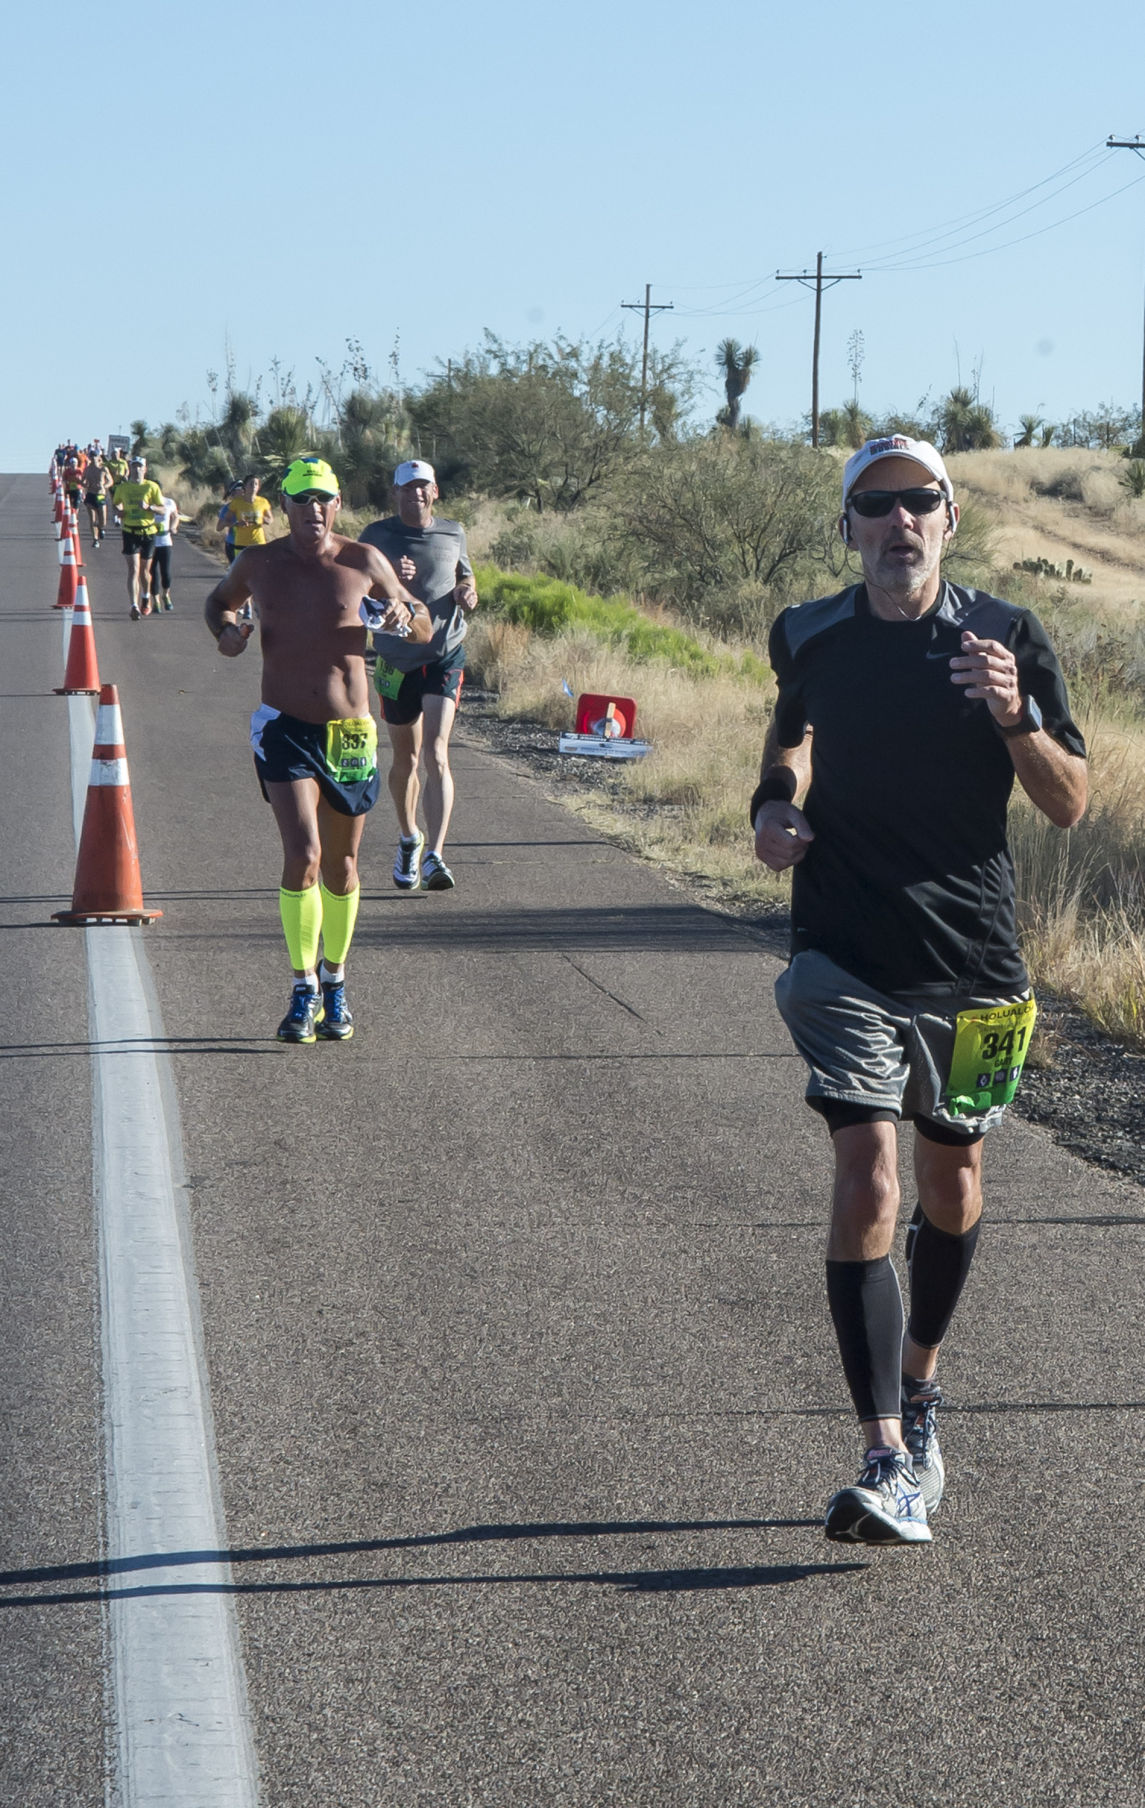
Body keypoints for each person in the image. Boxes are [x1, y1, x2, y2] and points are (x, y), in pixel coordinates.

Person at [751, 435, 1087, 1546]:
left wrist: (1011, 714)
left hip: (975, 962)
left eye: (918, 502)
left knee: (955, 1179)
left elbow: (1069, 802)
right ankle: (884, 1450)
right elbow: (793, 727)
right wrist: (772, 802)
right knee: (869, 1174)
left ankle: (922, 1384)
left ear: (949, 519)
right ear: (846, 527)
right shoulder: (809, 631)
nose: (898, 522)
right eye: (875, 504)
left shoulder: (1006, 635)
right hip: (841, 948)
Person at [204, 456, 432, 1043]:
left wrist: (406, 617)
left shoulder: (363, 562)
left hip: (350, 732)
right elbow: (218, 603)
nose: (313, 509)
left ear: (337, 503)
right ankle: (302, 988)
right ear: (284, 505)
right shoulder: (259, 563)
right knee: (303, 853)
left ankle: (335, 982)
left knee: (343, 866)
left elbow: (423, 621)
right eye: (302, 499)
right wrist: (227, 633)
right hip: (284, 726)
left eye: (323, 499)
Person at [359, 459, 478, 891]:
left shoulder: (454, 531)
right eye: (407, 489)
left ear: (436, 491)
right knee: (405, 759)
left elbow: (465, 571)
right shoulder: (376, 536)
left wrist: (469, 589)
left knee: (437, 752)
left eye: (423, 488)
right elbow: (356, 588)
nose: (416, 495)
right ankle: (409, 836)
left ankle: (435, 857)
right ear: (395, 494)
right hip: (395, 659)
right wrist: (388, 575)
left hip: (444, 653)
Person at [112, 453, 163, 618]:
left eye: (140, 467)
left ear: (145, 469)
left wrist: (149, 507)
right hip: (130, 531)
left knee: (145, 572)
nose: (137, 470)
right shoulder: (123, 487)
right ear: (130, 469)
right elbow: (115, 504)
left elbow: (162, 509)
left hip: (148, 532)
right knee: (133, 569)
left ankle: (146, 597)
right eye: (134, 466)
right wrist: (118, 511)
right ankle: (133, 605)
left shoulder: (152, 487)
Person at [218, 473, 273, 556]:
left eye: (256, 484)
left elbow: (270, 519)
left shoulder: (263, 502)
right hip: (238, 543)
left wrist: (263, 520)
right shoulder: (233, 505)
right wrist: (236, 524)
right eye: (251, 484)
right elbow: (222, 524)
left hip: (258, 542)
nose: (253, 486)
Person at [148, 489, 180, 610]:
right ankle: (155, 600)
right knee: (152, 573)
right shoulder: (146, 503)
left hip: (165, 542)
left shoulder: (169, 502)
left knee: (165, 572)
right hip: (150, 542)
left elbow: (175, 516)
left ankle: (166, 595)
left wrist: (173, 527)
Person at [83, 452, 111, 547]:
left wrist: (104, 486)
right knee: (93, 519)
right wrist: (85, 484)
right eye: (91, 456)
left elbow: (110, 481)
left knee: (102, 519)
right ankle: (95, 539)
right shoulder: (87, 469)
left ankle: (101, 528)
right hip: (90, 494)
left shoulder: (103, 469)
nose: (93, 457)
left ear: (98, 457)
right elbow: (83, 481)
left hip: (100, 495)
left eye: (95, 456)